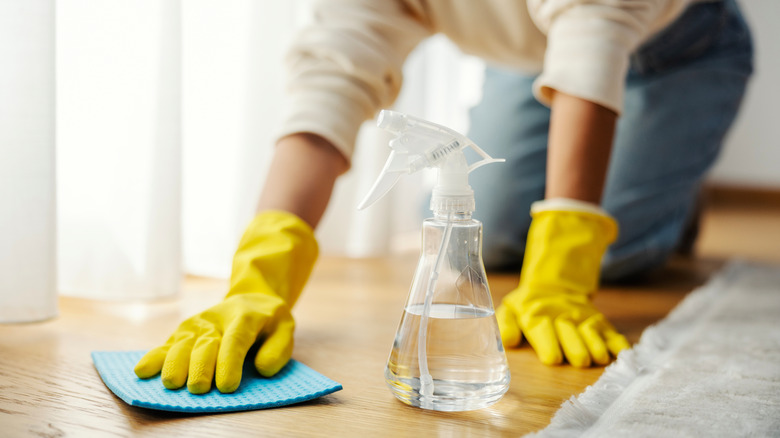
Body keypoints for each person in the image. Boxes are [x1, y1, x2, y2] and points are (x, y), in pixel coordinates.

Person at [134, 0, 753, 393]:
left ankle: (667, 201)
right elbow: (332, 82)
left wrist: (563, 273)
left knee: (618, 253)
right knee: (504, 233)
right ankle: (641, 185)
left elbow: (593, 43)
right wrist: (259, 277)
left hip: (680, 45)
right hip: (531, 51)